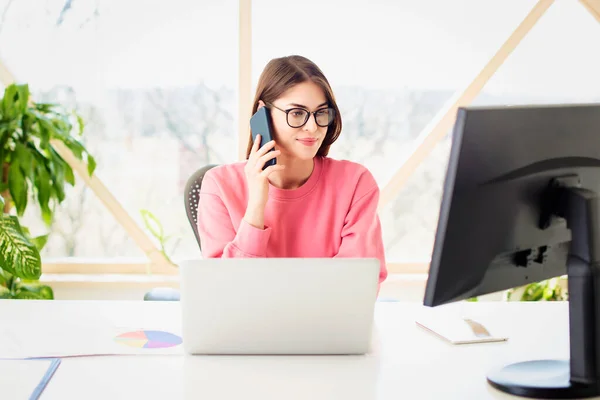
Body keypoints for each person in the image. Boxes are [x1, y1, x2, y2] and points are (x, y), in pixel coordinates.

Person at [196, 55, 387, 285]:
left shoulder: (356, 183)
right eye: (297, 113)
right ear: (262, 113)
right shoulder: (219, 185)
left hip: (328, 322)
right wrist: (256, 206)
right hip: (249, 322)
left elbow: (357, 285)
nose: (312, 127)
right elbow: (225, 289)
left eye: (321, 113)